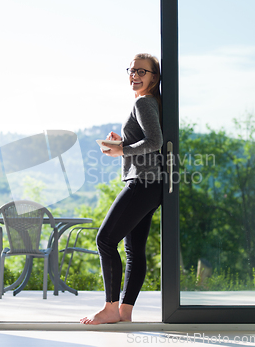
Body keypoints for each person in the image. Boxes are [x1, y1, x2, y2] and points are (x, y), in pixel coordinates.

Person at [80, 53, 163, 325]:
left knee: (104, 240)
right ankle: (124, 312)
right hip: (152, 186)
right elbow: (146, 140)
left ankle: (110, 308)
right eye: (131, 70)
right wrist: (123, 142)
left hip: (142, 183)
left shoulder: (143, 103)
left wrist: (122, 149)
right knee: (134, 251)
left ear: (154, 77)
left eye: (142, 71)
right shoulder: (152, 103)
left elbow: (155, 142)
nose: (135, 75)